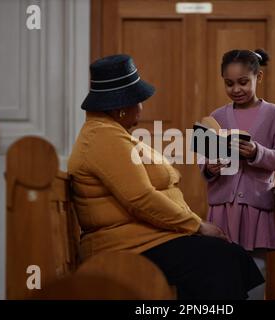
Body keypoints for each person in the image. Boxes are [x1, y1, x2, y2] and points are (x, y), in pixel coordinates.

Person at [68, 54, 263, 300]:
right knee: (219, 259)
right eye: (138, 100)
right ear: (120, 108)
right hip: (126, 248)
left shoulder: (109, 134)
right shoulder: (103, 139)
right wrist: (197, 225)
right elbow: (140, 198)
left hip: (143, 241)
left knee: (225, 255)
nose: (142, 106)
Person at [199, 49, 275, 298]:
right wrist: (209, 167)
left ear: (258, 77)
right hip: (222, 207)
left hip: (255, 207)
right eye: (229, 83)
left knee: (255, 270)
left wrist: (256, 153)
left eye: (243, 82)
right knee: (220, 269)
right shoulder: (217, 117)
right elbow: (203, 159)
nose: (236, 89)